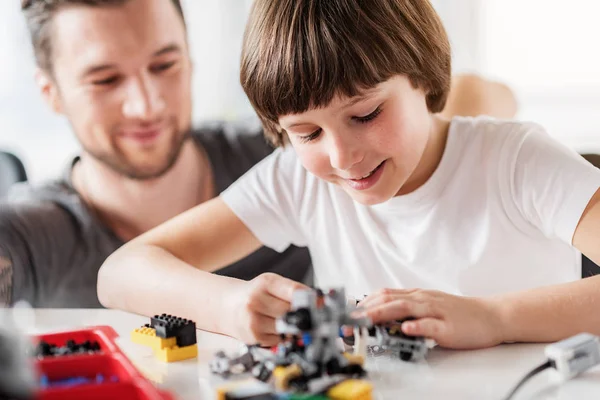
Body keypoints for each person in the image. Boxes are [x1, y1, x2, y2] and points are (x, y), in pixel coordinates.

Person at [98, 0, 600, 349]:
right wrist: (228, 304)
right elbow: (121, 273)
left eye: (365, 115)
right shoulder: (299, 181)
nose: (342, 158)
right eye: (307, 133)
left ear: (423, 76)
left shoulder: (516, 161)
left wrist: (495, 318)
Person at [0, 0, 315, 308]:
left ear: (190, 58)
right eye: (105, 80)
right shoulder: (30, 234)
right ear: (51, 93)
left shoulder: (294, 149)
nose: (146, 106)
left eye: (164, 65)